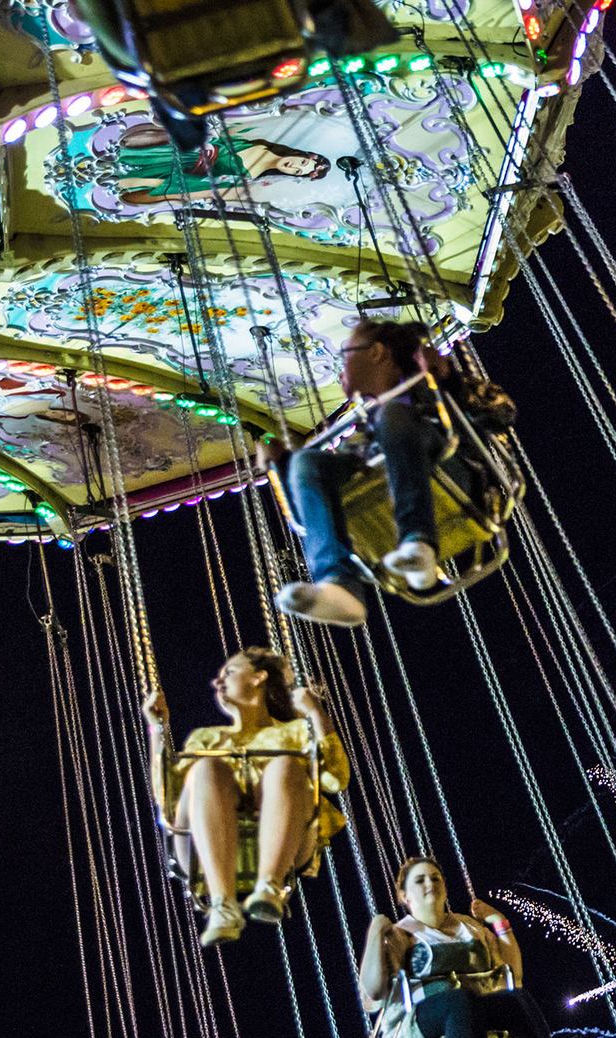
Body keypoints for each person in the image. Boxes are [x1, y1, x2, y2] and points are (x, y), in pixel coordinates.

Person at [360, 858, 577, 1038]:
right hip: (422, 1023)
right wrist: (377, 931)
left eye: (436, 878)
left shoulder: (468, 928)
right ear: (404, 896)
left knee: (517, 1001)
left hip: (470, 1013)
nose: (430, 884)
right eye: (421, 880)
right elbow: (373, 991)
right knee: (458, 1000)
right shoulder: (402, 934)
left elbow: (513, 976)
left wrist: (500, 924)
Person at [144, 647, 350, 946]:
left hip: (292, 846)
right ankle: (222, 904)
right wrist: (157, 728)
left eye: (228, 672)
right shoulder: (206, 739)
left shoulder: (293, 733)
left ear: (258, 677)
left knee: (285, 764)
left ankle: (269, 884)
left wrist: (316, 714)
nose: (217, 683)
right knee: (206, 769)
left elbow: (334, 779)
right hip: (199, 847)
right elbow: (165, 796)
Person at [271, 319, 457, 627]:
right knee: (306, 461)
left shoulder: (422, 390)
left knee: (393, 415)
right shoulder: (364, 425)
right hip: (374, 463)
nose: (340, 369)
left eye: (345, 356)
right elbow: (303, 516)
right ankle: (338, 582)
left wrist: (446, 377)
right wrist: (280, 462)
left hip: (436, 450)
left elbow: (482, 413)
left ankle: (418, 539)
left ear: (376, 353)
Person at [112, 122, 331, 206]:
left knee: (190, 187)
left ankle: (138, 182)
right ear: (301, 154)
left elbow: (211, 182)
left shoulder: (253, 177)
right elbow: (221, 130)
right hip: (191, 147)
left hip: (190, 165)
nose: (294, 167)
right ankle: (118, 147)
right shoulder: (258, 141)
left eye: (299, 172)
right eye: (302, 162)